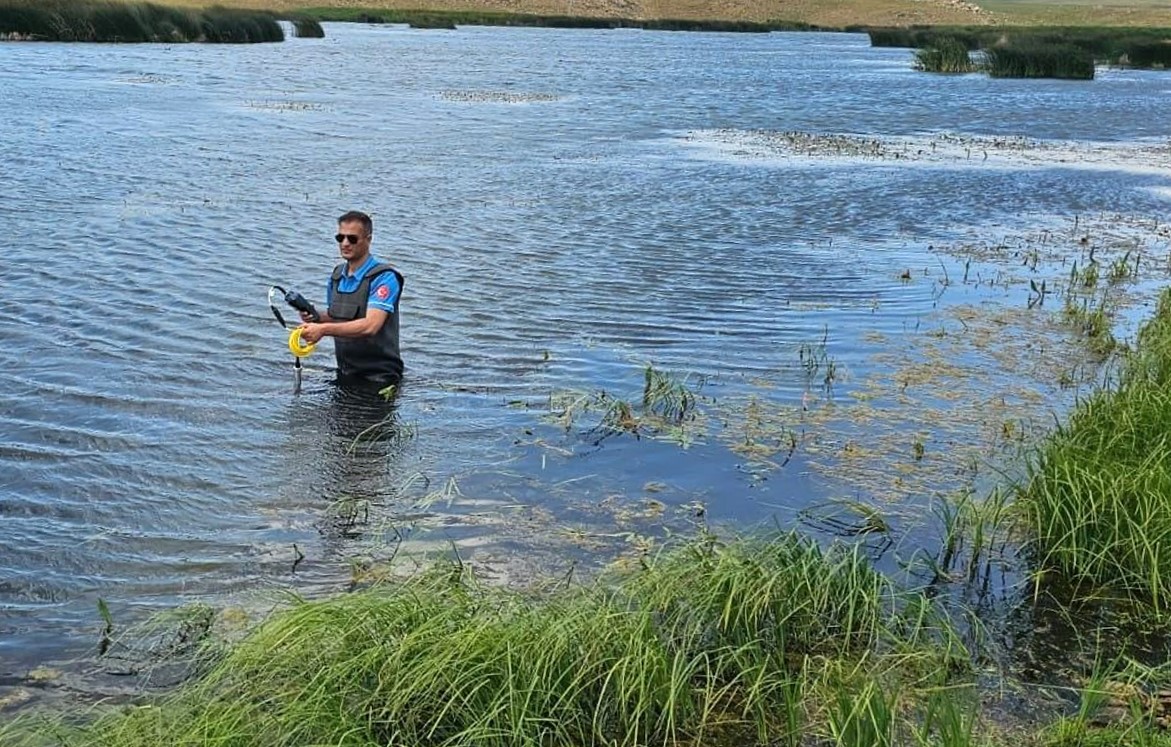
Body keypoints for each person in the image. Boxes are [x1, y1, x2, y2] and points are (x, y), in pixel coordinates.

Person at [298, 210, 405, 389]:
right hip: (345, 372)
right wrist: (316, 317)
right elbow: (339, 317)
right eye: (340, 238)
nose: (345, 243)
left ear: (368, 239)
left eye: (352, 239)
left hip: (380, 378)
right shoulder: (337, 275)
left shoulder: (385, 278)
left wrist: (323, 329)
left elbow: (371, 326)